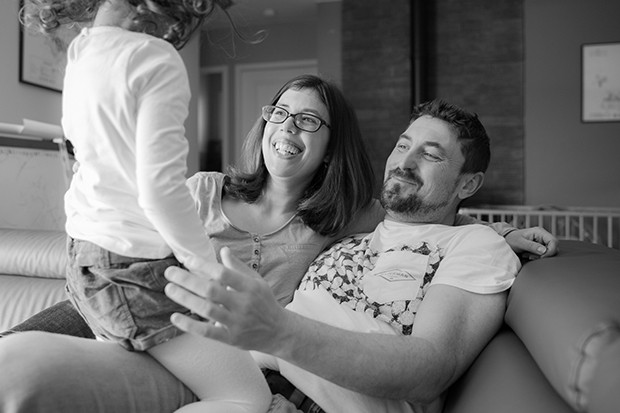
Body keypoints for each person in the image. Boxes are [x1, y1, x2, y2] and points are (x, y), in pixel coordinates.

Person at [0, 76, 557, 411]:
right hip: (139, 308)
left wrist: (498, 231)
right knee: (23, 352)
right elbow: (117, 247)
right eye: (281, 113)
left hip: (223, 355)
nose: (287, 129)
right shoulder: (203, 191)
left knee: (31, 374)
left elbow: (430, 229)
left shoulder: (341, 217)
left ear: (331, 145)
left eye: (308, 122)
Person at [162, 99, 526, 412]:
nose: (406, 162)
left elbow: (431, 369)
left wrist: (277, 330)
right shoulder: (350, 226)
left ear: (468, 184)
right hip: (244, 377)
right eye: (402, 146)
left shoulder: (475, 246)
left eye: (430, 155)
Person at [19, 1, 272, 411]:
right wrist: (206, 268)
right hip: (136, 269)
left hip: (83, 261)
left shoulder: (82, 51)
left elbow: (83, 161)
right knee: (247, 397)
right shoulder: (154, 58)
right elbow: (159, 189)